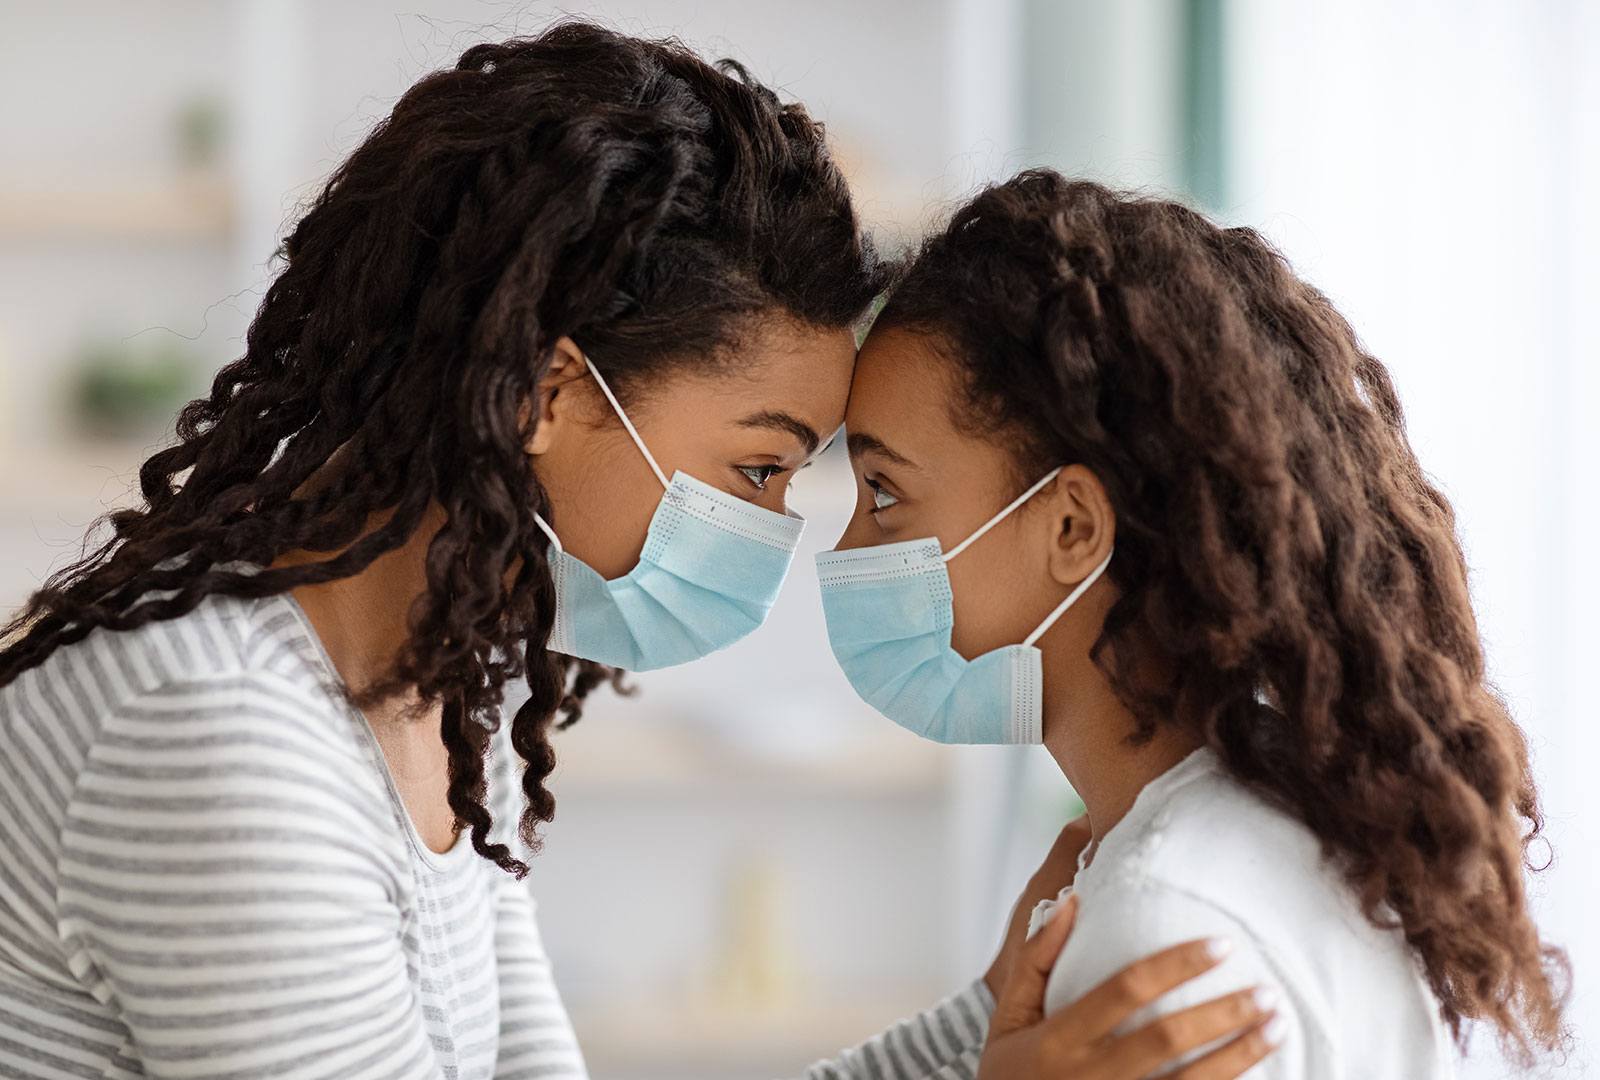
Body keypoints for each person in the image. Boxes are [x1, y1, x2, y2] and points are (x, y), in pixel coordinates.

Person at [0, 24, 1278, 1080]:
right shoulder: (216, 733)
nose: (781, 532)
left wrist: (981, 1024)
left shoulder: (438, 696)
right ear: (546, 395)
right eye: (759, 467)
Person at [820, 170, 1571, 1078]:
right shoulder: (1289, 816)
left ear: (1072, 527)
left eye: (885, 492)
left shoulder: (1156, 922)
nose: (846, 544)